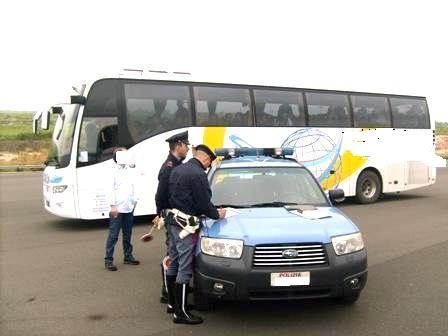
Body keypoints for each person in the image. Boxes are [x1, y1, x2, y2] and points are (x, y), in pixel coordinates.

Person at [165, 144, 226, 324]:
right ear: (205, 159)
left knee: (173, 262)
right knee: (185, 266)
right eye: (208, 164)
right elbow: (203, 203)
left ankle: (173, 304)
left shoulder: (178, 169)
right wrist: (218, 214)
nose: (207, 167)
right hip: (186, 225)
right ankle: (181, 313)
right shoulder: (198, 174)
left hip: (173, 222)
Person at [153, 131, 190, 305]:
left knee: (173, 255)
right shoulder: (170, 167)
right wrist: (160, 213)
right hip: (172, 216)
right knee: (172, 255)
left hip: (174, 216)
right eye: (186, 145)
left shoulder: (176, 164)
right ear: (178, 146)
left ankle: (171, 293)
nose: (188, 148)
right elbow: (160, 195)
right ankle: (167, 294)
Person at [104, 147, 140, 271]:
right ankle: (108, 260)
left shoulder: (130, 170)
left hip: (129, 208)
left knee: (127, 234)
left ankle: (128, 256)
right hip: (117, 209)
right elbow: (109, 189)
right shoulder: (112, 171)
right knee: (113, 235)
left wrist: (135, 200)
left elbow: (134, 185)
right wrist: (112, 206)